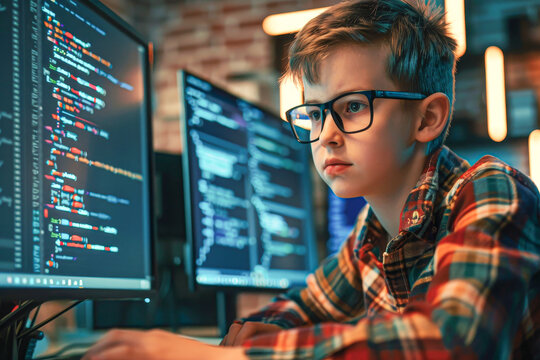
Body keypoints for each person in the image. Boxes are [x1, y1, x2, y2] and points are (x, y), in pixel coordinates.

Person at [82, 0, 540, 359]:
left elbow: (452, 344)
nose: (326, 135)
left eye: (354, 106)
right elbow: (303, 304)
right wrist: (272, 329)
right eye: (315, 113)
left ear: (427, 118)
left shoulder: (491, 190)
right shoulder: (374, 230)